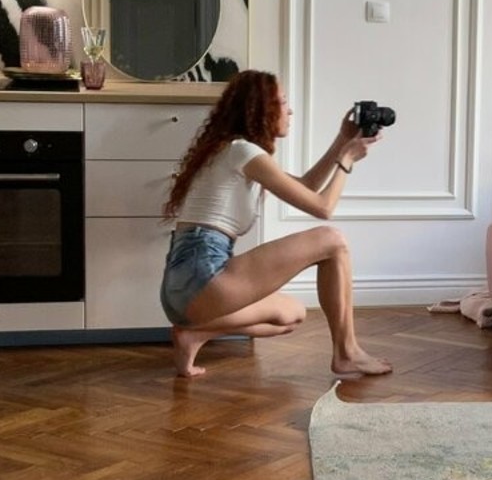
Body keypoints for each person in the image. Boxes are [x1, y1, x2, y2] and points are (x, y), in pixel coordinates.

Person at [160, 69, 393, 379]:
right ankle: (347, 353)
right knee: (333, 240)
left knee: (292, 315)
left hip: (182, 288)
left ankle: (194, 333)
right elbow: (323, 207)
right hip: (203, 274)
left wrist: (342, 141)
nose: (289, 110)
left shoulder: (234, 150)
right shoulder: (243, 151)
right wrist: (346, 161)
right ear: (261, 109)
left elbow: (308, 186)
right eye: (282, 102)